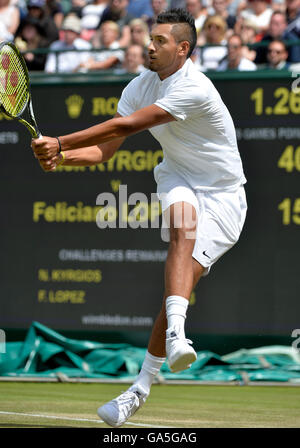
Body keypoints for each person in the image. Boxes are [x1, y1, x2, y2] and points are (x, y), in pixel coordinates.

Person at [32, 8, 247, 428]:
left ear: (183, 49)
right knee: (182, 229)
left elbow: (127, 124)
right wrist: (64, 159)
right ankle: (177, 337)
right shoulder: (139, 84)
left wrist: (58, 142)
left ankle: (140, 388)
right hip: (179, 175)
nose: (150, 45)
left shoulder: (195, 88)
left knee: (179, 292)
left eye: (161, 41)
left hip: (225, 197)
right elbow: (106, 148)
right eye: (151, 38)